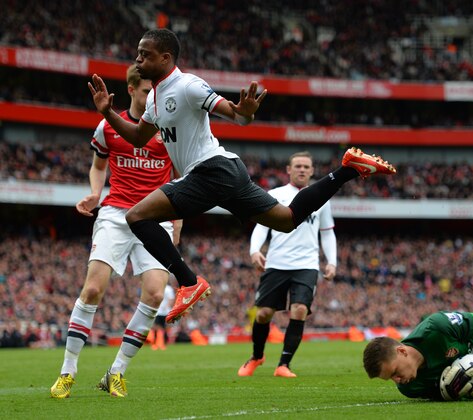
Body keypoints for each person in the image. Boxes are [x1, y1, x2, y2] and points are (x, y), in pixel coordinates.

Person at [88, 28, 396, 325]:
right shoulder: (155, 98)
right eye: (138, 55)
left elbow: (235, 114)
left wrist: (245, 112)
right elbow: (139, 137)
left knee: (137, 216)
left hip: (211, 170)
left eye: (145, 55)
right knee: (287, 220)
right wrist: (107, 112)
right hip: (223, 174)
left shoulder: (188, 86)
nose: (138, 60)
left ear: (166, 58)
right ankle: (348, 169)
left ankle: (188, 282)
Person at [51, 65, 181, 399]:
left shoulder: (169, 130)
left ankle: (116, 372)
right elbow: (98, 166)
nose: (154, 96)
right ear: (132, 88)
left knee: (155, 294)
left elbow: (181, 179)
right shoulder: (108, 126)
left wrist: (177, 221)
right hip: (116, 213)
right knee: (93, 288)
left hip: (156, 216)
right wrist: (96, 193)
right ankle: (68, 372)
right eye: (147, 90)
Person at [237, 151, 337, 378]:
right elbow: (261, 227)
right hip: (276, 263)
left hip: (307, 264)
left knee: (299, 309)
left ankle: (284, 364)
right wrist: (254, 250)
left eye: (306, 166)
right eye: (298, 166)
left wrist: (332, 261)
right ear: (288, 170)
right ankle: (256, 357)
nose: (302, 169)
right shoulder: (275, 194)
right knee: (263, 314)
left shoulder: (322, 199)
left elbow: (327, 233)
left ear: (312, 171)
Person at [151, 280, 175, 350]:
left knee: (164, 328)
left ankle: (164, 344)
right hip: (158, 311)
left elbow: (171, 299)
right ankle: (155, 344)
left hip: (165, 312)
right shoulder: (158, 288)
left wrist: (167, 306)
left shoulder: (168, 289)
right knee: (155, 327)